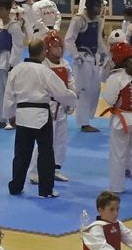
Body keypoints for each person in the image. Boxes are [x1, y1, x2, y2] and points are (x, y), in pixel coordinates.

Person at [7, 37, 78, 198]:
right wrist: (74, 100)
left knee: (21, 154)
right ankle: (45, 190)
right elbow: (61, 92)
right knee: (46, 153)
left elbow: (9, 95)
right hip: (41, 115)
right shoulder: (44, 71)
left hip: (23, 115)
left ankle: (16, 186)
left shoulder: (16, 70)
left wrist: (10, 115)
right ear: (42, 53)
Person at [99, 40, 132, 195]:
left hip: (122, 120)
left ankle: (116, 187)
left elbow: (109, 99)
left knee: (118, 154)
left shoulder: (116, 77)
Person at [34, 31, 77, 183]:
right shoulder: (43, 65)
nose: (58, 50)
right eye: (55, 48)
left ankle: (55, 168)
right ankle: (35, 172)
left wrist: (72, 99)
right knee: (45, 141)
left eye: (60, 47)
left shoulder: (65, 64)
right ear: (47, 49)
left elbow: (71, 82)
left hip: (62, 106)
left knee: (61, 139)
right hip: (48, 105)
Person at [64, 0, 107, 134]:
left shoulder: (98, 20)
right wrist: (76, 56)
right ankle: (83, 123)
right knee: (83, 90)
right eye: (97, 7)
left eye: (100, 7)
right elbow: (69, 40)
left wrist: (104, 53)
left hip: (94, 58)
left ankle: (88, 117)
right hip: (82, 59)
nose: (99, 10)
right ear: (89, 6)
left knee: (95, 90)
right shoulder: (79, 20)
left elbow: (98, 39)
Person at [0, 0, 28, 129]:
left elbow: (18, 47)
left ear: (8, 10)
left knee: (10, 92)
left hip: (8, 61)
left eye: (1, 10)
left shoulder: (14, 26)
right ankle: (1, 118)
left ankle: (12, 119)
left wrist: (12, 64)